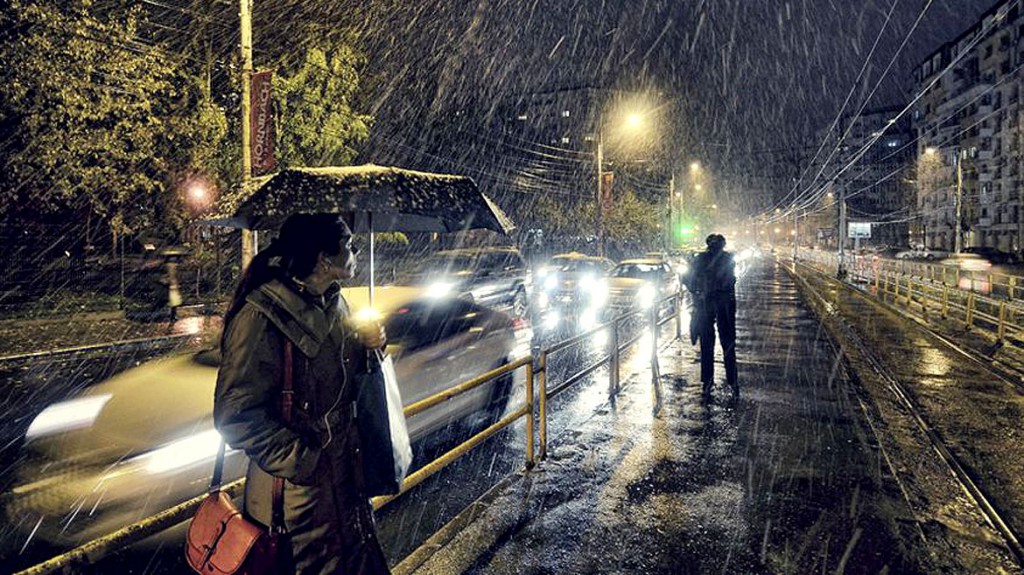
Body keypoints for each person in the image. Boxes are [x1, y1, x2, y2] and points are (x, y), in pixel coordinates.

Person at [214, 213, 391, 575]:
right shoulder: (262, 317)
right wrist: (306, 461)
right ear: (324, 259)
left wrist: (374, 346)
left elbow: (348, 378)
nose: (356, 250)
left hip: (345, 481)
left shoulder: (336, 303)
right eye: (348, 244)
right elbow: (235, 416)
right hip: (297, 498)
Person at [684, 233, 738, 398]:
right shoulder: (728, 259)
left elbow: (688, 279)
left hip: (706, 304)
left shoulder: (700, 259)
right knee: (728, 343)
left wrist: (698, 292)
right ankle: (733, 382)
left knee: (706, 345)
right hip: (725, 305)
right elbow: (730, 281)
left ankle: (707, 383)